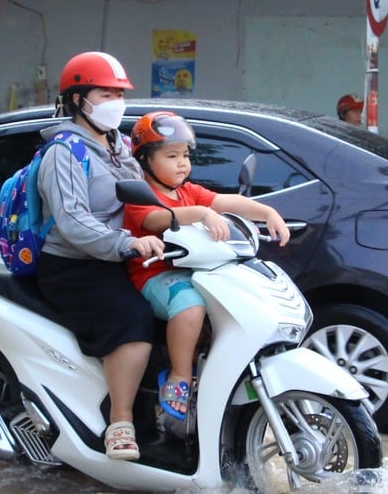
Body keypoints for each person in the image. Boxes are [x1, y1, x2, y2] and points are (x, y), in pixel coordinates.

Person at [35, 51, 165, 461]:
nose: (115, 102)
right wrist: (126, 243)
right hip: (74, 266)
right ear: (77, 100)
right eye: (105, 93)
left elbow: (149, 193)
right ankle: (120, 424)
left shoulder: (119, 145)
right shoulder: (64, 153)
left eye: (119, 93)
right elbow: (72, 221)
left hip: (115, 257)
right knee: (135, 318)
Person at [122, 111, 290, 419]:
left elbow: (225, 202)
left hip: (197, 272)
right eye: (172, 156)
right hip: (155, 276)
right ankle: (180, 376)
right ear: (145, 160)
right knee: (190, 305)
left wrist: (267, 212)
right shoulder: (141, 193)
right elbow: (154, 219)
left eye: (185, 155)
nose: (182, 163)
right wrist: (199, 213)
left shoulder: (189, 191)